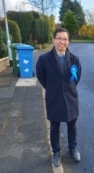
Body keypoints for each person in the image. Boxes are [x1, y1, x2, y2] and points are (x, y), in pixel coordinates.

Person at [36, 28, 82, 167]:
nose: (63, 42)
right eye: (60, 38)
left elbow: (77, 77)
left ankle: (72, 149)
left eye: (65, 39)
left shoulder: (75, 59)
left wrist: (68, 89)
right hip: (54, 98)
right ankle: (56, 152)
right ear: (53, 40)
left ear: (68, 41)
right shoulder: (43, 59)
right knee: (54, 127)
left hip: (70, 98)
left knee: (72, 126)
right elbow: (42, 77)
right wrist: (53, 89)